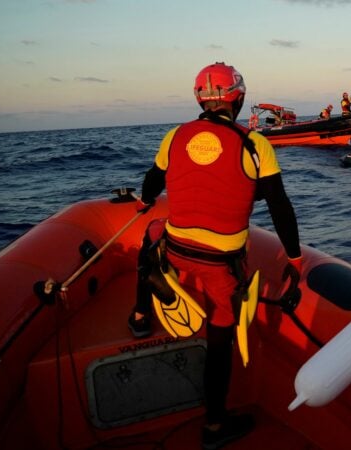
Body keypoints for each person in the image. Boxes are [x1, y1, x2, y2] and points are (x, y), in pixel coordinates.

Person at [128, 62, 302, 450]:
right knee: (219, 342)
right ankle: (213, 427)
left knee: (150, 235)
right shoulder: (255, 144)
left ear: (199, 100)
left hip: (175, 248)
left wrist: (145, 201)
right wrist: (294, 260)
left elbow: (153, 180)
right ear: (238, 99)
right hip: (220, 265)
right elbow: (280, 207)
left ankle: (141, 315)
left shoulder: (175, 136)